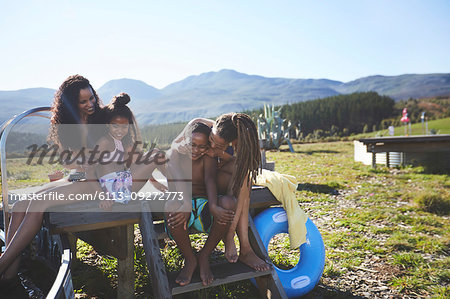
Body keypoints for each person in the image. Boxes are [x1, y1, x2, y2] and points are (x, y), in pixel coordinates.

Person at [0, 75, 106, 288]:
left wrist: (82, 161)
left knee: (39, 203)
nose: (90, 104)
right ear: (71, 104)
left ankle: (2, 264)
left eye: (91, 98)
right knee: (21, 205)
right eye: (83, 101)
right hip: (78, 177)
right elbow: (70, 162)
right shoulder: (69, 124)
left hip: (98, 182)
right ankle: (10, 276)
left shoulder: (101, 121)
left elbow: (97, 163)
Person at [172, 113, 270, 272]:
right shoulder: (198, 124)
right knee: (243, 181)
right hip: (196, 180)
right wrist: (184, 146)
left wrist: (220, 154)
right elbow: (174, 147)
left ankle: (240, 244)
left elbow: (237, 162)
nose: (212, 145)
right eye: (211, 140)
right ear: (213, 127)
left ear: (231, 142)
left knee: (245, 174)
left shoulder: (234, 141)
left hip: (216, 180)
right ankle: (237, 243)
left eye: (219, 145)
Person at [165, 122, 236, 286]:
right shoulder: (174, 154)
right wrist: (184, 203)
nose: (196, 150)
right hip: (183, 204)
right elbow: (179, 181)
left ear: (208, 146)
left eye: (202, 146)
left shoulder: (207, 157)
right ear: (185, 140)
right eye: (192, 145)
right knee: (171, 205)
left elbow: (210, 180)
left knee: (228, 202)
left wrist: (213, 206)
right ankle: (190, 259)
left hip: (203, 207)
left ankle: (204, 255)